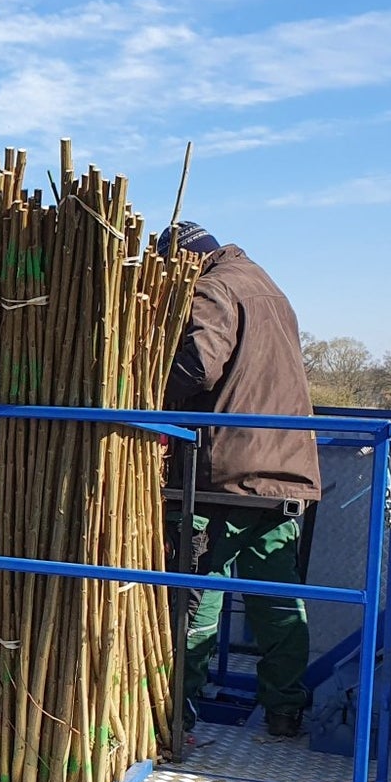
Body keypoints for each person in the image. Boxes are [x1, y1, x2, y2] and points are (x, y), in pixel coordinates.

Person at [160, 222, 322, 738]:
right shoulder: (268, 285)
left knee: (197, 596)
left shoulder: (214, 287)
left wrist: (145, 390)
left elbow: (199, 367)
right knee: (276, 600)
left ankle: (175, 713)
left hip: (227, 474)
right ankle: (284, 711)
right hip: (285, 473)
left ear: (185, 261)